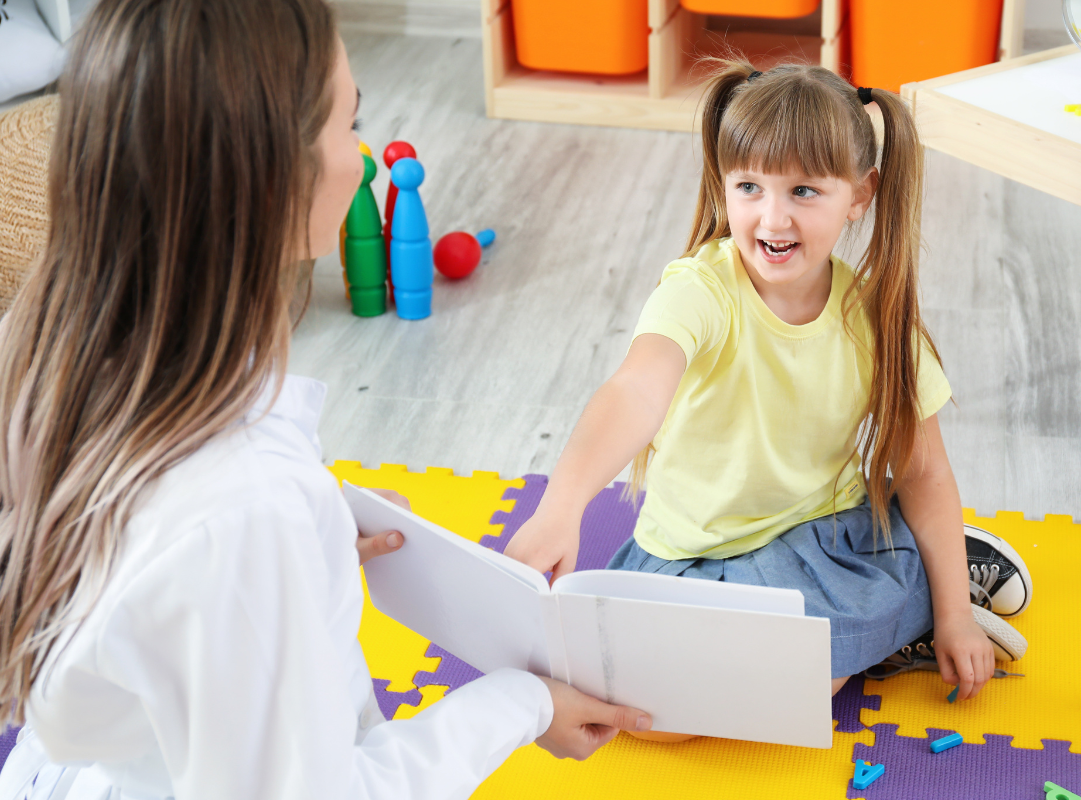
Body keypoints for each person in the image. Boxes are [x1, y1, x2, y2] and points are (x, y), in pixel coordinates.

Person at [0, 1, 649, 798]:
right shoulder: (245, 510)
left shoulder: (44, 350)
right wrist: (524, 703)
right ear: (273, 176)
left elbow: (127, 604)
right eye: (350, 123)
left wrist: (310, 544)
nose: (362, 156)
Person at [505, 61, 1034, 730]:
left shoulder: (878, 319)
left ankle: (943, 583)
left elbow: (924, 469)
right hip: (691, 557)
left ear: (860, 194)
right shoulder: (699, 291)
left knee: (792, 693)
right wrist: (561, 507)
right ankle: (930, 582)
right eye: (749, 186)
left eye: (805, 191)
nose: (771, 217)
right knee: (658, 714)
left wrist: (957, 620)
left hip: (819, 543)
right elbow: (634, 392)